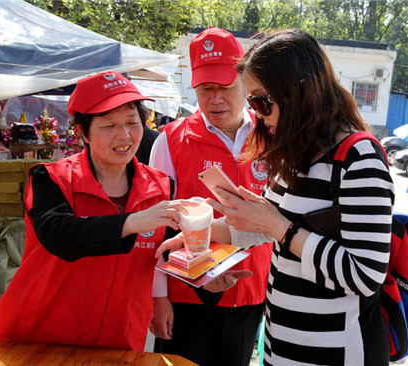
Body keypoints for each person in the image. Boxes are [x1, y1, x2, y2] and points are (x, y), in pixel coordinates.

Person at [158, 28, 395, 366]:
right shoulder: (292, 153)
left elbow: (364, 274)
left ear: (297, 90)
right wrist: (206, 233)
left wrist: (283, 229)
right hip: (280, 347)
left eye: (260, 100)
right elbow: (262, 228)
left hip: (333, 352)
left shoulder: (358, 156)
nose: (258, 112)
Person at [0, 71, 190, 352]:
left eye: (131, 122)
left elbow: (169, 252)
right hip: (41, 338)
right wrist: (132, 222)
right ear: (83, 133)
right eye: (109, 125)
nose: (124, 135)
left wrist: (207, 276)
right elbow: (58, 234)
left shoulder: (161, 187)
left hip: (119, 341)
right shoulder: (51, 179)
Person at [148, 27, 272, 366]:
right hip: (187, 298)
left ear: (245, 82)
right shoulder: (170, 141)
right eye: (205, 89)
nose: (214, 99)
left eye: (224, 88)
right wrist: (159, 296)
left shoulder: (272, 137)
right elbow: (156, 226)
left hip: (252, 296)